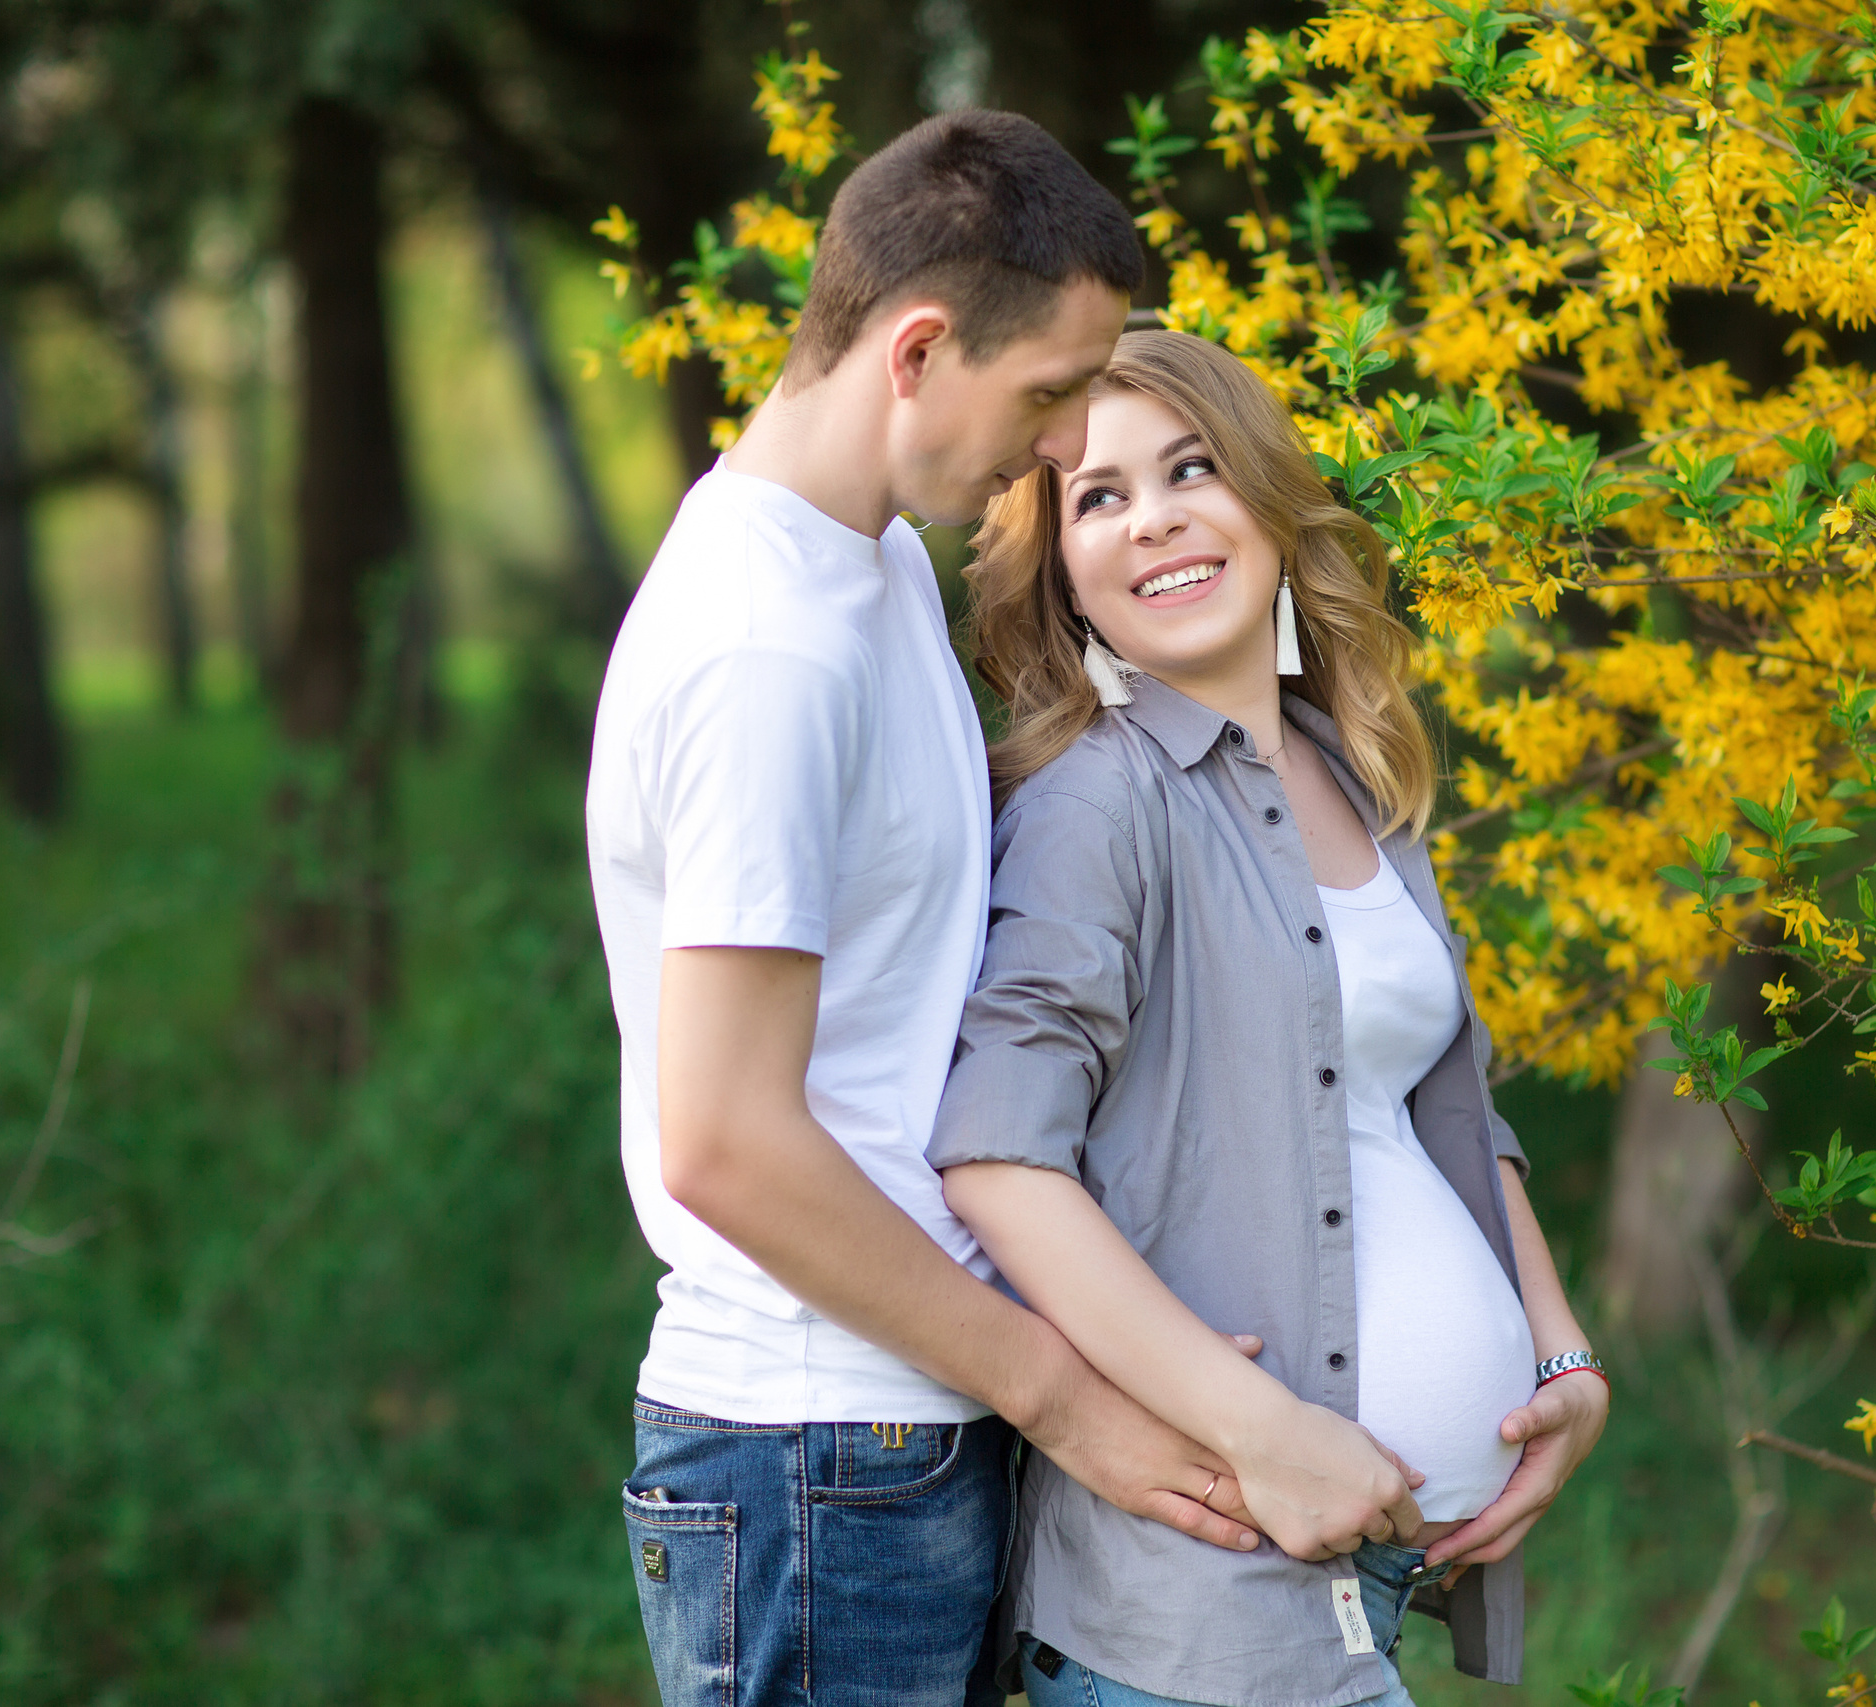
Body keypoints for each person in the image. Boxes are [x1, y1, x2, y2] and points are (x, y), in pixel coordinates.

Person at [586, 118, 1268, 1707]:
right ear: (916, 350)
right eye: (1043, 397)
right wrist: (1069, 1397)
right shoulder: (767, 649)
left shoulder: (869, 561)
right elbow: (727, 1143)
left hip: (904, 1418)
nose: (1053, 448)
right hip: (817, 1456)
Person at [930, 331, 1612, 1706]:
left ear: (1265, 495)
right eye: (1100, 495)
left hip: (1368, 1585)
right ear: (1059, 563)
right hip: (1200, 1597)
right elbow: (999, 1158)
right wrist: (1265, 1430)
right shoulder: (1097, 806)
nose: (1158, 514)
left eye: (1191, 468)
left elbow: (1444, 1108)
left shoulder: (1351, 777)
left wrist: (1563, 1358)